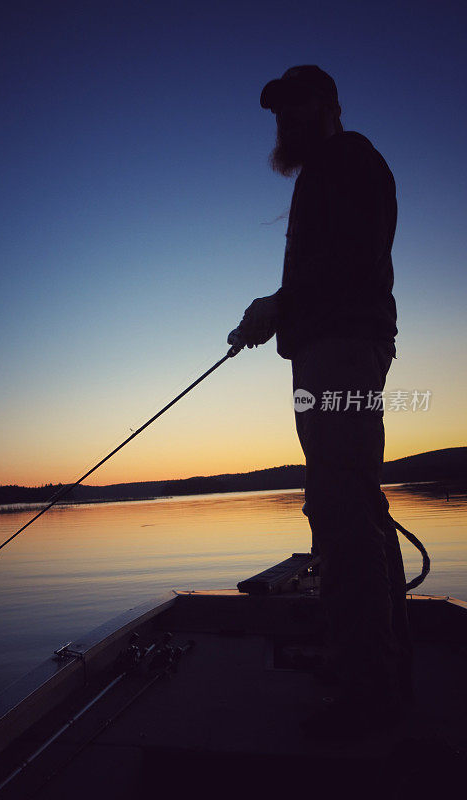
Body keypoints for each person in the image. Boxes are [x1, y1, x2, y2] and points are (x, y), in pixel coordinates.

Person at [228, 65, 412, 735]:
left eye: (297, 107)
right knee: (356, 506)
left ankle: (366, 693)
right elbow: (329, 268)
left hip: (340, 351)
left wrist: (275, 306)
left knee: (338, 509)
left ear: (330, 107)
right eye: (278, 113)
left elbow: (351, 261)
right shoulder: (325, 172)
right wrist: (279, 313)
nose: (285, 121)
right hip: (327, 351)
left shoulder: (349, 160)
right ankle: (381, 667)